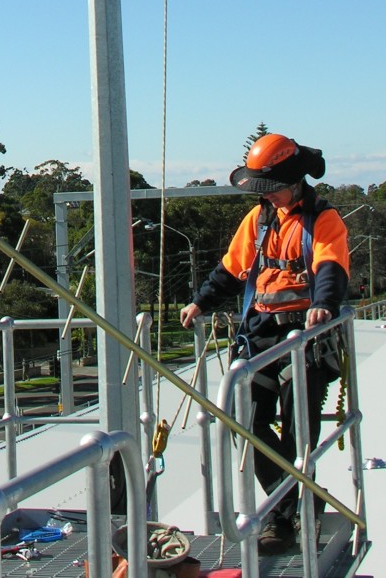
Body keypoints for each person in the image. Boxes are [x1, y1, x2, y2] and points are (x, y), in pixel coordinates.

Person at [179, 133, 349, 555]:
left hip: (306, 337)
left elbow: (330, 266)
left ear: (295, 183)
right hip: (260, 335)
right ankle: (296, 500)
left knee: (297, 431)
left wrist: (323, 305)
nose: (267, 197)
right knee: (245, 423)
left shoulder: (323, 221)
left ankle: (280, 518)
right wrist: (200, 303)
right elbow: (230, 270)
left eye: (271, 189)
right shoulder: (258, 222)